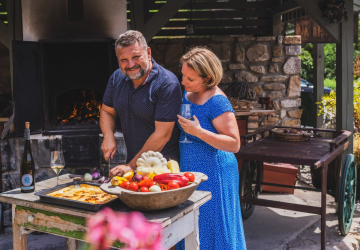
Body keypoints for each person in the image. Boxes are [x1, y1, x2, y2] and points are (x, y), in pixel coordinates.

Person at [176, 47, 246, 250]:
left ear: (207, 78)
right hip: (191, 171)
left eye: (189, 78)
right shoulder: (188, 92)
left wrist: (199, 132)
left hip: (215, 174)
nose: (183, 82)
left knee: (212, 225)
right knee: (191, 224)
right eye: (183, 75)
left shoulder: (217, 101)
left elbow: (234, 143)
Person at [100, 30, 182, 178]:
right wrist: (108, 135)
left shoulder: (167, 83)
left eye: (136, 57)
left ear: (148, 52)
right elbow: (107, 111)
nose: (130, 65)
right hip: (133, 167)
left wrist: (131, 166)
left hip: (163, 170)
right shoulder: (116, 77)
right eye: (123, 60)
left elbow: (163, 135)